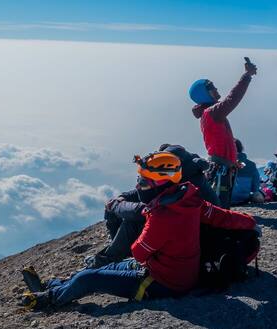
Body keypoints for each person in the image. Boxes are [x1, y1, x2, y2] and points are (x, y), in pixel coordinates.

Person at [18, 151, 257, 309]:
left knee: (90, 278)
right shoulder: (190, 199)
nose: (138, 185)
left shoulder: (162, 216)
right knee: (104, 269)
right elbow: (223, 217)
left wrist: (145, 215)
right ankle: (55, 286)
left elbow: (138, 252)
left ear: (160, 183)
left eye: (143, 181)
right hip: (175, 272)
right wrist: (250, 222)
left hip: (162, 282)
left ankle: (49, 300)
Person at [190, 58, 256, 201]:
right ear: (205, 93)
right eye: (212, 88)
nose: (216, 89)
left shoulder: (209, 113)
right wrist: (247, 76)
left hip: (222, 165)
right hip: (221, 167)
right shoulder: (211, 112)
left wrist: (232, 160)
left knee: (221, 201)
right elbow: (232, 99)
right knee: (221, 204)